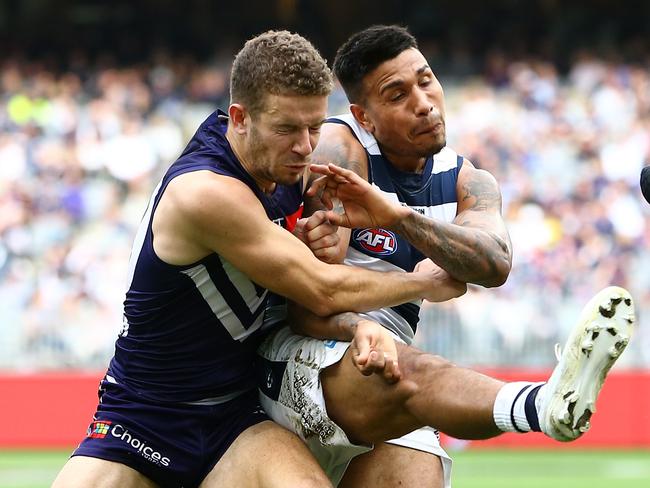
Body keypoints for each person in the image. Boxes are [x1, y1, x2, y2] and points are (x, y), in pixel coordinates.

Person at [52, 30, 466, 488]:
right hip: (143, 418)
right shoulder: (204, 192)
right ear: (239, 118)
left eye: (313, 127)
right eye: (288, 129)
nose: (306, 147)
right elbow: (323, 288)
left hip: (236, 418)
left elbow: (315, 284)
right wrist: (426, 280)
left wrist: (333, 257)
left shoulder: (282, 162)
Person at [257, 25, 636, 488]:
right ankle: (543, 404)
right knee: (415, 370)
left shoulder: (466, 179)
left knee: (418, 473)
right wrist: (362, 313)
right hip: (299, 355)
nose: (423, 102)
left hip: (384, 362)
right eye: (397, 95)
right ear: (365, 117)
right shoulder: (342, 149)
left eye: (426, 80)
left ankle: (543, 403)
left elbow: (494, 263)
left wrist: (398, 218)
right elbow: (309, 305)